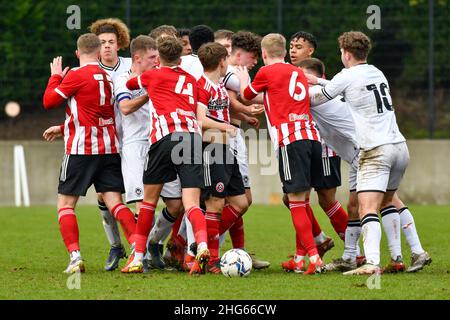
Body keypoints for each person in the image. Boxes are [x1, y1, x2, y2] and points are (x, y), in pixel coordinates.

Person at [301, 57, 432, 273]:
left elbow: (294, 96)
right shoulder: (357, 79)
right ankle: (352, 257)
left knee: (381, 203)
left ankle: (402, 255)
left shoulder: (319, 95)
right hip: (372, 149)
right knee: (357, 206)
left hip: (367, 151)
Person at [42, 33, 136, 274]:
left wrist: (55, 77)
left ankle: (75, 257)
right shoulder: (108, 77)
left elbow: (49, 101)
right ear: (97, 53)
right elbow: (92, 112)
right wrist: (64, 127)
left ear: (77, 54)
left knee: (65, 205)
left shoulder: (75, 75)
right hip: (109, 148)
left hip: (81, 151)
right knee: (115, 202)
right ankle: (138, 249)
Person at [236, 33, 324, 275]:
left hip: (290, 140)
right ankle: (298, 259)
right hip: (311, 137)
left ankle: (314, 259)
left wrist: (244, 77)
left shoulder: (266, 72)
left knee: (295, 203)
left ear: (264, 54)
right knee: (303, 202)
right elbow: (278, 97)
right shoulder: (296, 71)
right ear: (284, 52)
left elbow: (245, 95)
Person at [122, 37, 209, 275]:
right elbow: (203, 98)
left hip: (165, 138)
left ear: (159, 58)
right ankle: (202, 245)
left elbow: (131, 83)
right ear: (180, 58)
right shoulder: (191, 80)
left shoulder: (153, 75)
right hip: (191, 137)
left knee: (149, 202)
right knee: (191, 203)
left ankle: (138, 257)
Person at [280, 31, 351, 272]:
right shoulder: (294, 77)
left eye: (299, 46)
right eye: (291, 45)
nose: (293, 50)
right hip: (306, 145)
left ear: (310, 51)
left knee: (323, 199)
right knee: (294, 198)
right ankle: (315, 244)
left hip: (322, 147)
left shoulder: (313, 77)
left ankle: (352, 251)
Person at [219, 31, 270, 269]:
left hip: (233, 134)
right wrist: (248, 109)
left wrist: (244, 114)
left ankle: (236, 253)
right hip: (224, 137)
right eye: (253, 56)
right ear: (240, 54)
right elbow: (230, 102)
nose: (256, 61)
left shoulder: (237, 71)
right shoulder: (231, 71)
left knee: (235, 201)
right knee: (241, 200)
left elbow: (232, 103)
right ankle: (197, 244)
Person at [196, 42, 247, 273]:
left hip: (226, 149)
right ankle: (211, 258)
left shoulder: (218, 85)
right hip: (210, 148)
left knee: (240, 202)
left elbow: (223, 111)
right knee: (214, 203)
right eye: (227, 59)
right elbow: (200, 120)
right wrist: (225, 127)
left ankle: (201, 244)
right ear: (221, 62)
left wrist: (244, 116)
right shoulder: (202, 85)